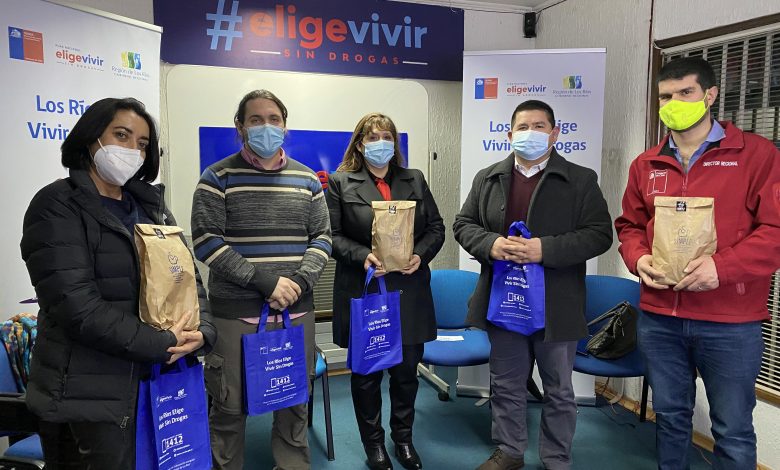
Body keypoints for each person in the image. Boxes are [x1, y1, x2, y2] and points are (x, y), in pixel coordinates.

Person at [20, 97, 216, 469]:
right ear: (91, 137)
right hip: (91, 392)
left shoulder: (151, 208)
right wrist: (161, 343)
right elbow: (76, 306)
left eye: (142, 144)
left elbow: (188, 279)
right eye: (121, 136)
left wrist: (203, 330)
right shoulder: (56, 205)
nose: (132, 151)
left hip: (160, 376)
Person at [615, 57, 780, 469]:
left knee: (732, 429)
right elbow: (630, 226)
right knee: (670, 419)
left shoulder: (756, 155)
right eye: (665, 96)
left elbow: (775, 230)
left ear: (710, 95)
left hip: (729, 321)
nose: (674, 103)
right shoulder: (646, 164)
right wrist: (638, 257)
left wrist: (721, 268)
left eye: (685, 93)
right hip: (660, 318)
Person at [454, 100, 612, 470]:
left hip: (556, 304)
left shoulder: (580, 179)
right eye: (523, 127)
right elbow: (463, 224)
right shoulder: (488, 177)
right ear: (509, 135)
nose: (530, 133)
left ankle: (556, 458)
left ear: (554, 134)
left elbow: (599, 234)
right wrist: (491, 244)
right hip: (504, 301)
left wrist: (546, 249)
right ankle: (509, 451)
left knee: (559, 388)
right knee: (506, 383)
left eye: (539, 126)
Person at [191, 89, 331, 470]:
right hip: (235, 315)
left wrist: (298, 283)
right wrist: (266, 282)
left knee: (293, 403)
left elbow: (322, 239)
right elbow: (206, 242)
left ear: (285, 126)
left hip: (295, 312)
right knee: (228, 406)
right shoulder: (217, 177)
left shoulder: (307, 179)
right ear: (240, 127)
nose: (265, 127)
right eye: (255, 120)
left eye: (274, 119)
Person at [326, 112, 444, 470]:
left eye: (387, 137)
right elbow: (331, 237)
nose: (381, 143)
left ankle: (403, 439)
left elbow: (436, 228)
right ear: (360, 145)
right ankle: (374, 444)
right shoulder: (340, 182)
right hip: (366, 290)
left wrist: (420, 255)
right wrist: (362, 256)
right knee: (367, 376)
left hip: (408, 290)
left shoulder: (415, 178)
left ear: (395, 143)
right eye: (373, 137)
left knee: (407, 373)